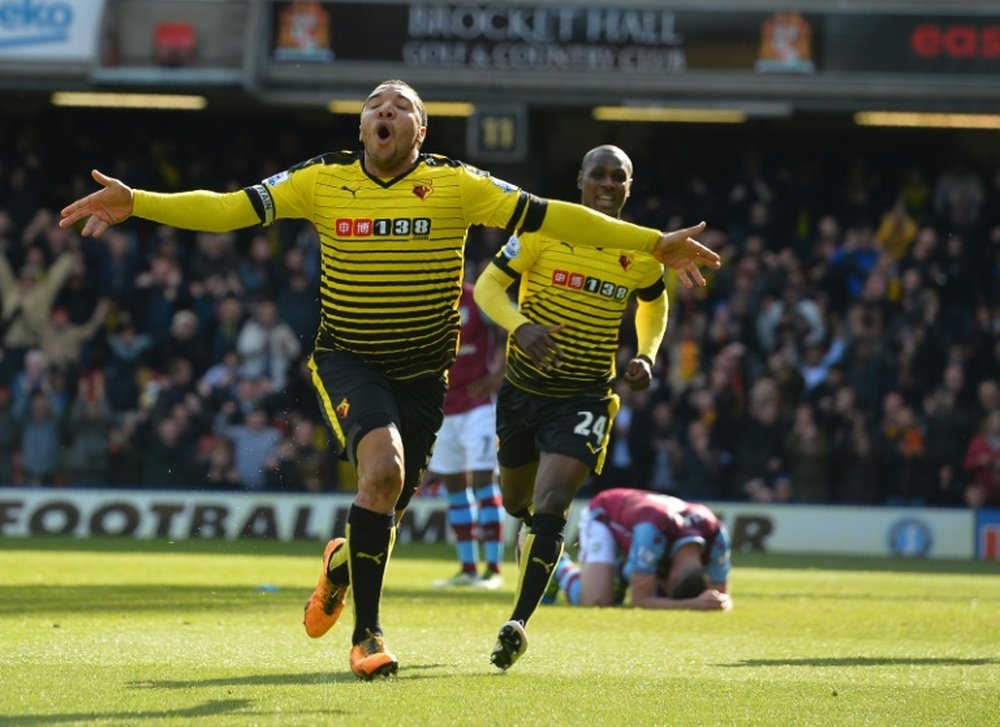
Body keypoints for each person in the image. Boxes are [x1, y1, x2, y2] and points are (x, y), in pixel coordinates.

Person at [59, 80, 720, 680]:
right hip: (348, 356)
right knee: (383, 474)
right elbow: (230, 208)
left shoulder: (458, 184)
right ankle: (367, 635)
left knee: (386, 507)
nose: (385, 111)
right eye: (375, 104)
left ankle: (341, 564)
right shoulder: (321, 181)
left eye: (401, 106)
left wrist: (653, 244)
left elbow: (552, 214)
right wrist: (139, 202)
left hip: (424, 374)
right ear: (361, 127)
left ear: (420, 132)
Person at [472, 144, 708, 670]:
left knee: (552, 501)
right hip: (523, 389)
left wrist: (646, 355)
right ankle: (529, 542)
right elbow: (487, 286)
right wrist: (521, 327)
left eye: (617, 177)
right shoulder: (543, 229)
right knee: (518, 502)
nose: (606, 184)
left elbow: (654, 301)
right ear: (579, 180)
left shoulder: (642, 250)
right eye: (597, 174)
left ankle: (519, 622)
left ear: (630, 186)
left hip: (586, 394)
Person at [426, 279, 506, 590]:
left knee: (484, 480)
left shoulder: (479, 297)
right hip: (445, 406)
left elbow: (515, 324)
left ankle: (493, 570)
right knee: (454, 484)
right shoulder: (430, 302)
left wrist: (499, 373)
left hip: (478, 406)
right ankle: (468, 569)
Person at [546, 487, 732, 612]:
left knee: (649, 589)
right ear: (673, 577)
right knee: (596, 600)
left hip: (643, 526)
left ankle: (619, 572)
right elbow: (639, 600)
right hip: (604, 513)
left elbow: (720, 596)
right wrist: (692, 604)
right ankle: (557, 564)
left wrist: (718, 602)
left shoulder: (717, 535)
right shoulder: (653, 531)